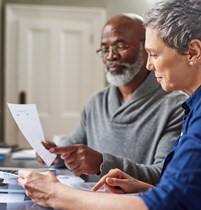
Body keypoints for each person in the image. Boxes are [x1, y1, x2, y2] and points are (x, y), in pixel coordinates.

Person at [17, 0, 201, 210]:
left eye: (153, 54)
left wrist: (54, 194)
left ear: (192, 52)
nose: (149, 65)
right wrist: (146, 188)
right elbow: (199, 194)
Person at [38, 13, 187, 185]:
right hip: (86, 201)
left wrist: (102, 163)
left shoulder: (175, 106)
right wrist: (54, 154)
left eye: (121, 46)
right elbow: (72, 151)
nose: (110, 56)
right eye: (104, 49)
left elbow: (164, 174)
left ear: (147, 49)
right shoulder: (96, 102)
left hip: (134, 208)